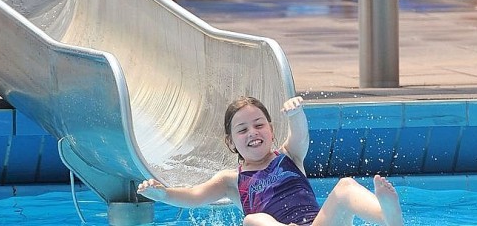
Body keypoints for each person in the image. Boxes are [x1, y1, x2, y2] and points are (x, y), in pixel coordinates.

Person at [138, 96, 404, 226]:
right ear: (231, 142)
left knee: (345, 186)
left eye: (259, 125)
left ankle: (389, 218)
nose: (253, 132)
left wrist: (295, 113)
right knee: (252, 221)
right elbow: (194, 196)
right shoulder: (232, 181)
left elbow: (301, 134)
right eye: (242, 130)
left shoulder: (289, 156)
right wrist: (163, 194)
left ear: (271, 130)